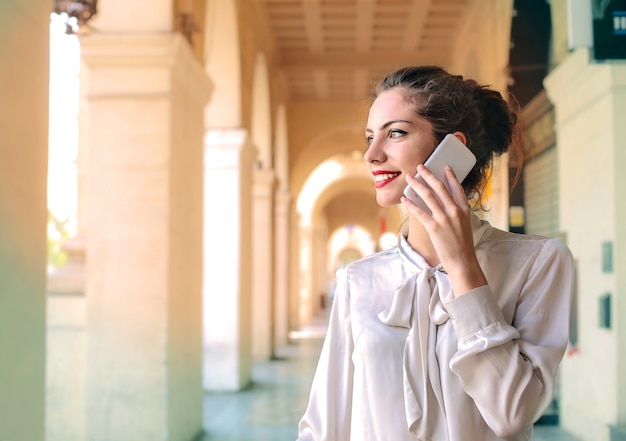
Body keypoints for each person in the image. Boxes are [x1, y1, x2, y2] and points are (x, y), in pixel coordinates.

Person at [296, 66, 574, 441]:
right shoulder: (357, 280)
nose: (372, 155)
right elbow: (323, 426)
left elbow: (513, 414)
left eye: (395, 133)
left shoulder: (539, 262)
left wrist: (461, 267)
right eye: (369, 137)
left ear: (453, 148)